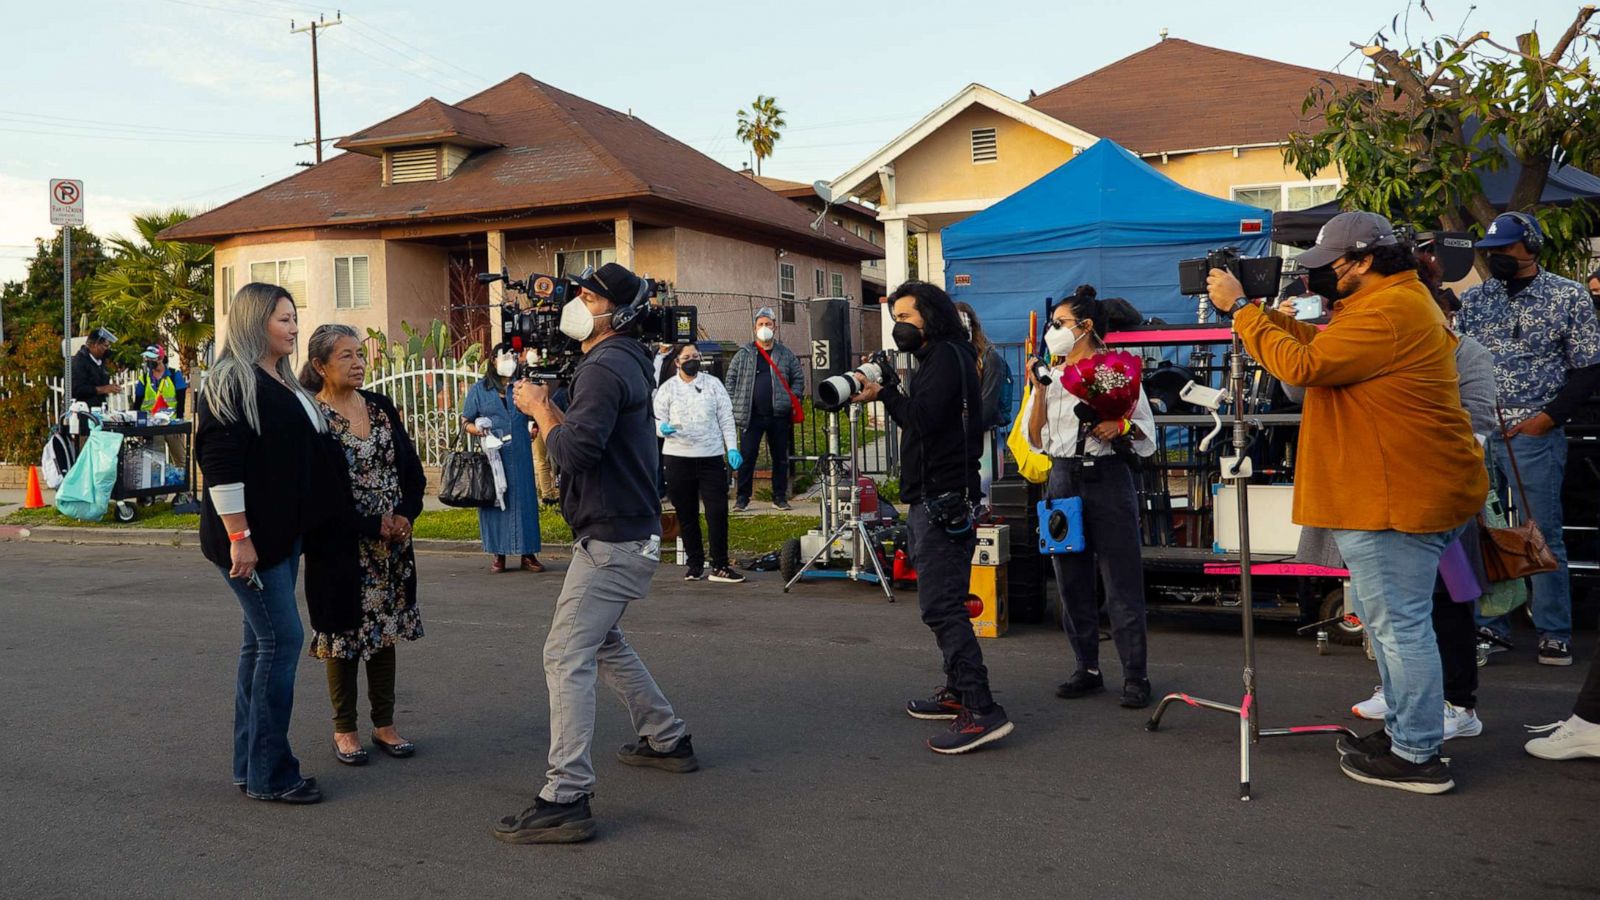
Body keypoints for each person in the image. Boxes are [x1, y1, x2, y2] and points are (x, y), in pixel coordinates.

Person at [1208, 211, 1487, 794]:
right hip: (1395, 490)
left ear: (1361, 262)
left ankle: (1417, 754)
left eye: (1326, 266)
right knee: (1393, 628)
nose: (1318, 279)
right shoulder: (1390, 303)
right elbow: (1323, 351)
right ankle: (1407, 735)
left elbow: (1304, 365)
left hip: (1395, 495)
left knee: (1400, 628)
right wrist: (1273, 322)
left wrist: (1243, 313)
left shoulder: (1389, 310)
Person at [496, 262, 696, 845]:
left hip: (612, 539)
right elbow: (585, 436)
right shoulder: (620, 360)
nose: (575, 302)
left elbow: (577, 452)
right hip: (623, 532)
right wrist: (554, 408)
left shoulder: (606, 366)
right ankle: (666, 737)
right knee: (601, 641)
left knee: (565, 655)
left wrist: (539, 408)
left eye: (588, 295)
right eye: (577, 292)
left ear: (618, 311)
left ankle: (566, 795)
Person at [1286, 246, 1497, 741]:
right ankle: (1403, 702)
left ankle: (1450, 708)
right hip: (1376, 494)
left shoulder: (1465, 352)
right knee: (1389, 618)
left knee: (1439, 607)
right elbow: (1300, 386)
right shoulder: (1355, 338)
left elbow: (1480, 423)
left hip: (1429, 494)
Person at [851, 281, 1012, 754]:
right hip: (943, 491)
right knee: (947, 600)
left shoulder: (944, 357)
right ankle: (959, 692)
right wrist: (890, 391)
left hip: (940, 496)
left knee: (940, 607)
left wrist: (884, 392)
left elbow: (920, 417)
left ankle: (981, 709)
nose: (899, 325)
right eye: (895, 316)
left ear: (931, 315)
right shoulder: (949, 356)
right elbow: (926, 418)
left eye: (906, 315)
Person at [194, 283, 328, 804]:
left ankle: (251, 767)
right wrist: (240, 538)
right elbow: (221, 466)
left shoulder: (281, 379)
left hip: (281, 536)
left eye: (295, 319)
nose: (293, 328)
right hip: (253, 541)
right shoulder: (231, 380)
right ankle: (272, 772)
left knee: (261, 644)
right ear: (255, 323)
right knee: (282, 641)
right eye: (283, 320)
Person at [1457, 211, 1600, 667]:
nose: (1497, 256)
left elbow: (1589, 367)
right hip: (1480, 433)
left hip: (1534, 433)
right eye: (1492, 250)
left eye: (1506, 248)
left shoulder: (1569, 296)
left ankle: (1554, 630)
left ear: (1531, 247)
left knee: (1541, 532)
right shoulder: (1476, 300)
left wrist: (1549, 418)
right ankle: (1490, 625)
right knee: (1482, 534)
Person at [299, 324, 427, 766]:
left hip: (390, 546)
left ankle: (385, 724)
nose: (357, 363)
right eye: (345, 356)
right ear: (320, 366)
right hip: (341, 546)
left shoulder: (381, 407)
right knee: (342, 636)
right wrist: (373, 523)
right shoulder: (312, 418)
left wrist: (406, 515)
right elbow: (318, 495)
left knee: (384, 632)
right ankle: (345, 729)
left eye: (359, 354)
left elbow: (411, 471)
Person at [1023, 286, 1156, 709]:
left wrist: (1121, 426)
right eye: (1052, 325)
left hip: (1108, 478)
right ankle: (1087, 668)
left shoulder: (1116, 372)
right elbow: (1035, 438)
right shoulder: (1054, 375)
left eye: (1060, 325)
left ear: (1086, 327)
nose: (1053, 332)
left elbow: (1145, 432)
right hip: (1062, 479)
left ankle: (1135, 674)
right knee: (1070, 580)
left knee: (1121, 580)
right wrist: (1040, 388)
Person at [655, 342, 744, 583]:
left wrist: (732, 448)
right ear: (677, 362)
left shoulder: (712, 384)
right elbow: (656, 418)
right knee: (687, 513)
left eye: (695, 356)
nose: (692, 360)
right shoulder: (668, 388)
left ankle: (720, 564)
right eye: (687, 356)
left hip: (710, 456)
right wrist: (662, 429)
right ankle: (694, 563)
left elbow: (726, 416)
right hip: (678, 457)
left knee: (717, 511)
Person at [461, 353, 544, 574]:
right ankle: (499, 555)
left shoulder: (521, 387)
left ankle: (528, 553)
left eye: (513, 358)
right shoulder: (480, 389)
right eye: (504, 357)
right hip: (494, 456)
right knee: (495, 503)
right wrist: (478, 428)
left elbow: (535, 413)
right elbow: (465, 421)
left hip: (520, 453)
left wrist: (534, 427)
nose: (509, 362)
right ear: (493, 362)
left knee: (524, 501)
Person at [725, 307, 805, 511]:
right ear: (754, 328)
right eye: (761, 324)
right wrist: (735, 403)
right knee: (747, 456)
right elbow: (731, 380)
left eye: (768, 324)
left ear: (775, 327)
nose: (764, 328)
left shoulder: (785, 354)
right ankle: (743, 498)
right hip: (751, 416)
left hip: (779, 415)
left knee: (780, 457)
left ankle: (779, 496)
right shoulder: (744, 354)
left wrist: (791, 398)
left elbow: (798, 378)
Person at [955, 301, 1011, 504]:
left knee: (983, 501)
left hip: (982, 440)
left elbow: (986, 409)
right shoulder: (946, 359)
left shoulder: (989, 358)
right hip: (954, 442)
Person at [133, 344, 190, 472]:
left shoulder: (175, 375)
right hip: (152, 425)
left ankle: (183, 490)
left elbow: (181, 401)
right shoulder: (144, 379)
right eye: (146, 358)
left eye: (151, 358)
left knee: (180, 460)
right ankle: (160, 491)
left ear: (160, 358)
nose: (148, 361)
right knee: (156, 461)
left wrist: (179, 423)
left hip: (172, 424)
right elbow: (137, 404)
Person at [70, 327, 119, 408]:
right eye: (105, 346)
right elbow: (76, 389)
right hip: (82, 411)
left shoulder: (100, 361)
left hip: (98, 409)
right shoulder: (79, 362)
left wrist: (111, 388)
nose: (107, 350)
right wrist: (102, 389)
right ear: (95, 345)